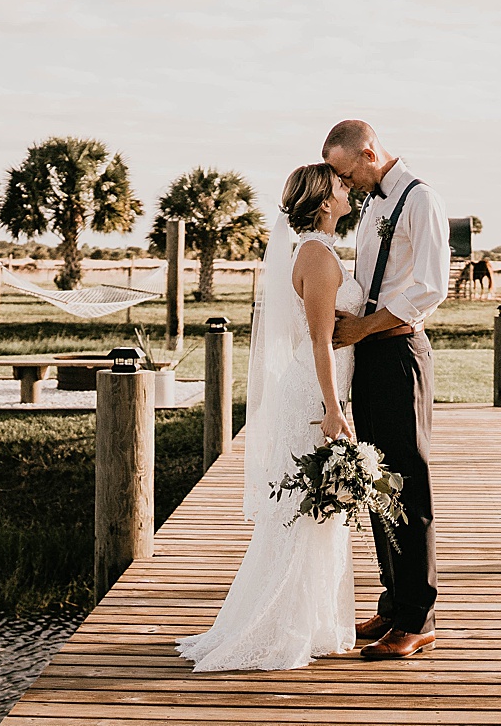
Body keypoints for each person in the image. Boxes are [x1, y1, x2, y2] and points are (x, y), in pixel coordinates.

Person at [175, 163, 364, 671]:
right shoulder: (319, 258)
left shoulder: (310, 250)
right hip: (313, 393)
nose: (349, 190)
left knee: (317, 510)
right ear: (325, 200)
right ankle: (283, 626)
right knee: (308, 510)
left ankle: (315, 621)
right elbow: (321, 342)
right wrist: (333, 408)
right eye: (341, 186)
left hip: (315, 388)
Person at [323, 119, 450, 660]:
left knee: (408, 479)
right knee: (375, 478)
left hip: (399, 351)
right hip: (369, 352)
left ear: (370, 153)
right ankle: (393, 600)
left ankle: (419, 618)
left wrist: (362, 328)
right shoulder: (373, 203)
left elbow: (430, 286)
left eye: (347, 173)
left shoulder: (421, 201)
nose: (344, 186)